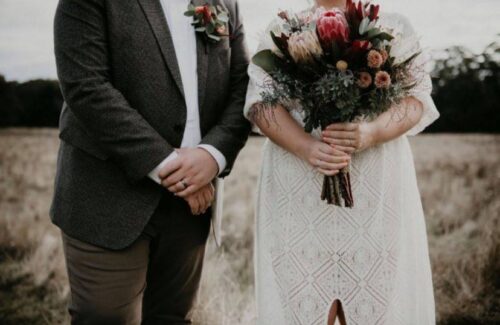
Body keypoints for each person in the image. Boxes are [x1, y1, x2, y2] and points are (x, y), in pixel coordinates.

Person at [50, 0, 250, 323]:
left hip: (190, 207)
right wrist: (173, 168)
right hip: (107, 195)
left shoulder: (224, 3)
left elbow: (244, 86)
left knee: (172, 317)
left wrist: (212, 156)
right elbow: (86, 86)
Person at [244, 0, 439, 324]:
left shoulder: (394, 27)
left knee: (378, 301)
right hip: (299, 183)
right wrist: (305, 146)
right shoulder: (283, 29)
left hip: (374, 185)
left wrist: (372, 132)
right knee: (301, 304)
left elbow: (416, 99)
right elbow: (260, 104)